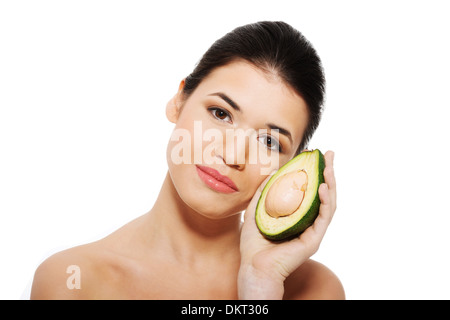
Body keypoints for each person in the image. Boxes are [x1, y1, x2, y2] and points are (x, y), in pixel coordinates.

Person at [30, 21, 344, 299]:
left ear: (291, 167)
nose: (232, 155)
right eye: (221, 114)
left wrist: (259, 285)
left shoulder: (315, 290)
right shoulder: (71, 281)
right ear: (179, 102)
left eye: (269, 141)